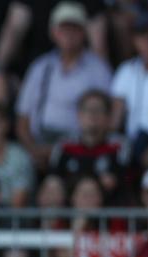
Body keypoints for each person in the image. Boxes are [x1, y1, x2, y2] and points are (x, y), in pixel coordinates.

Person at [15, 2, 112, 168]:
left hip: (81, 148)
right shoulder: (40, 67)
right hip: (39, 144)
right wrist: (33, 149)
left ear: (83, 33)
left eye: (74, 29)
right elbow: (23, 117)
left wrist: (66, 149)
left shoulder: (99, 69)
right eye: (63, 29)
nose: (69, 34)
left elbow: (105, 118)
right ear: (53, 33)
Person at [49, 90, 130, 205]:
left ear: (108, 118)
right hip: (69, 213)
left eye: (98, 110)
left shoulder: (119, 146)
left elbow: (124, 183)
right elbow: (54, 181)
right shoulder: (64, 146)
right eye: (88, 110)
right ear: (79, 115)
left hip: (107, 213)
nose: (92, 115)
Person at [110, 11, 148, 166]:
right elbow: (116, 114)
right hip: (132, 141)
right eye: (143, 35)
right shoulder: (126, 70)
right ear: (135, 40)